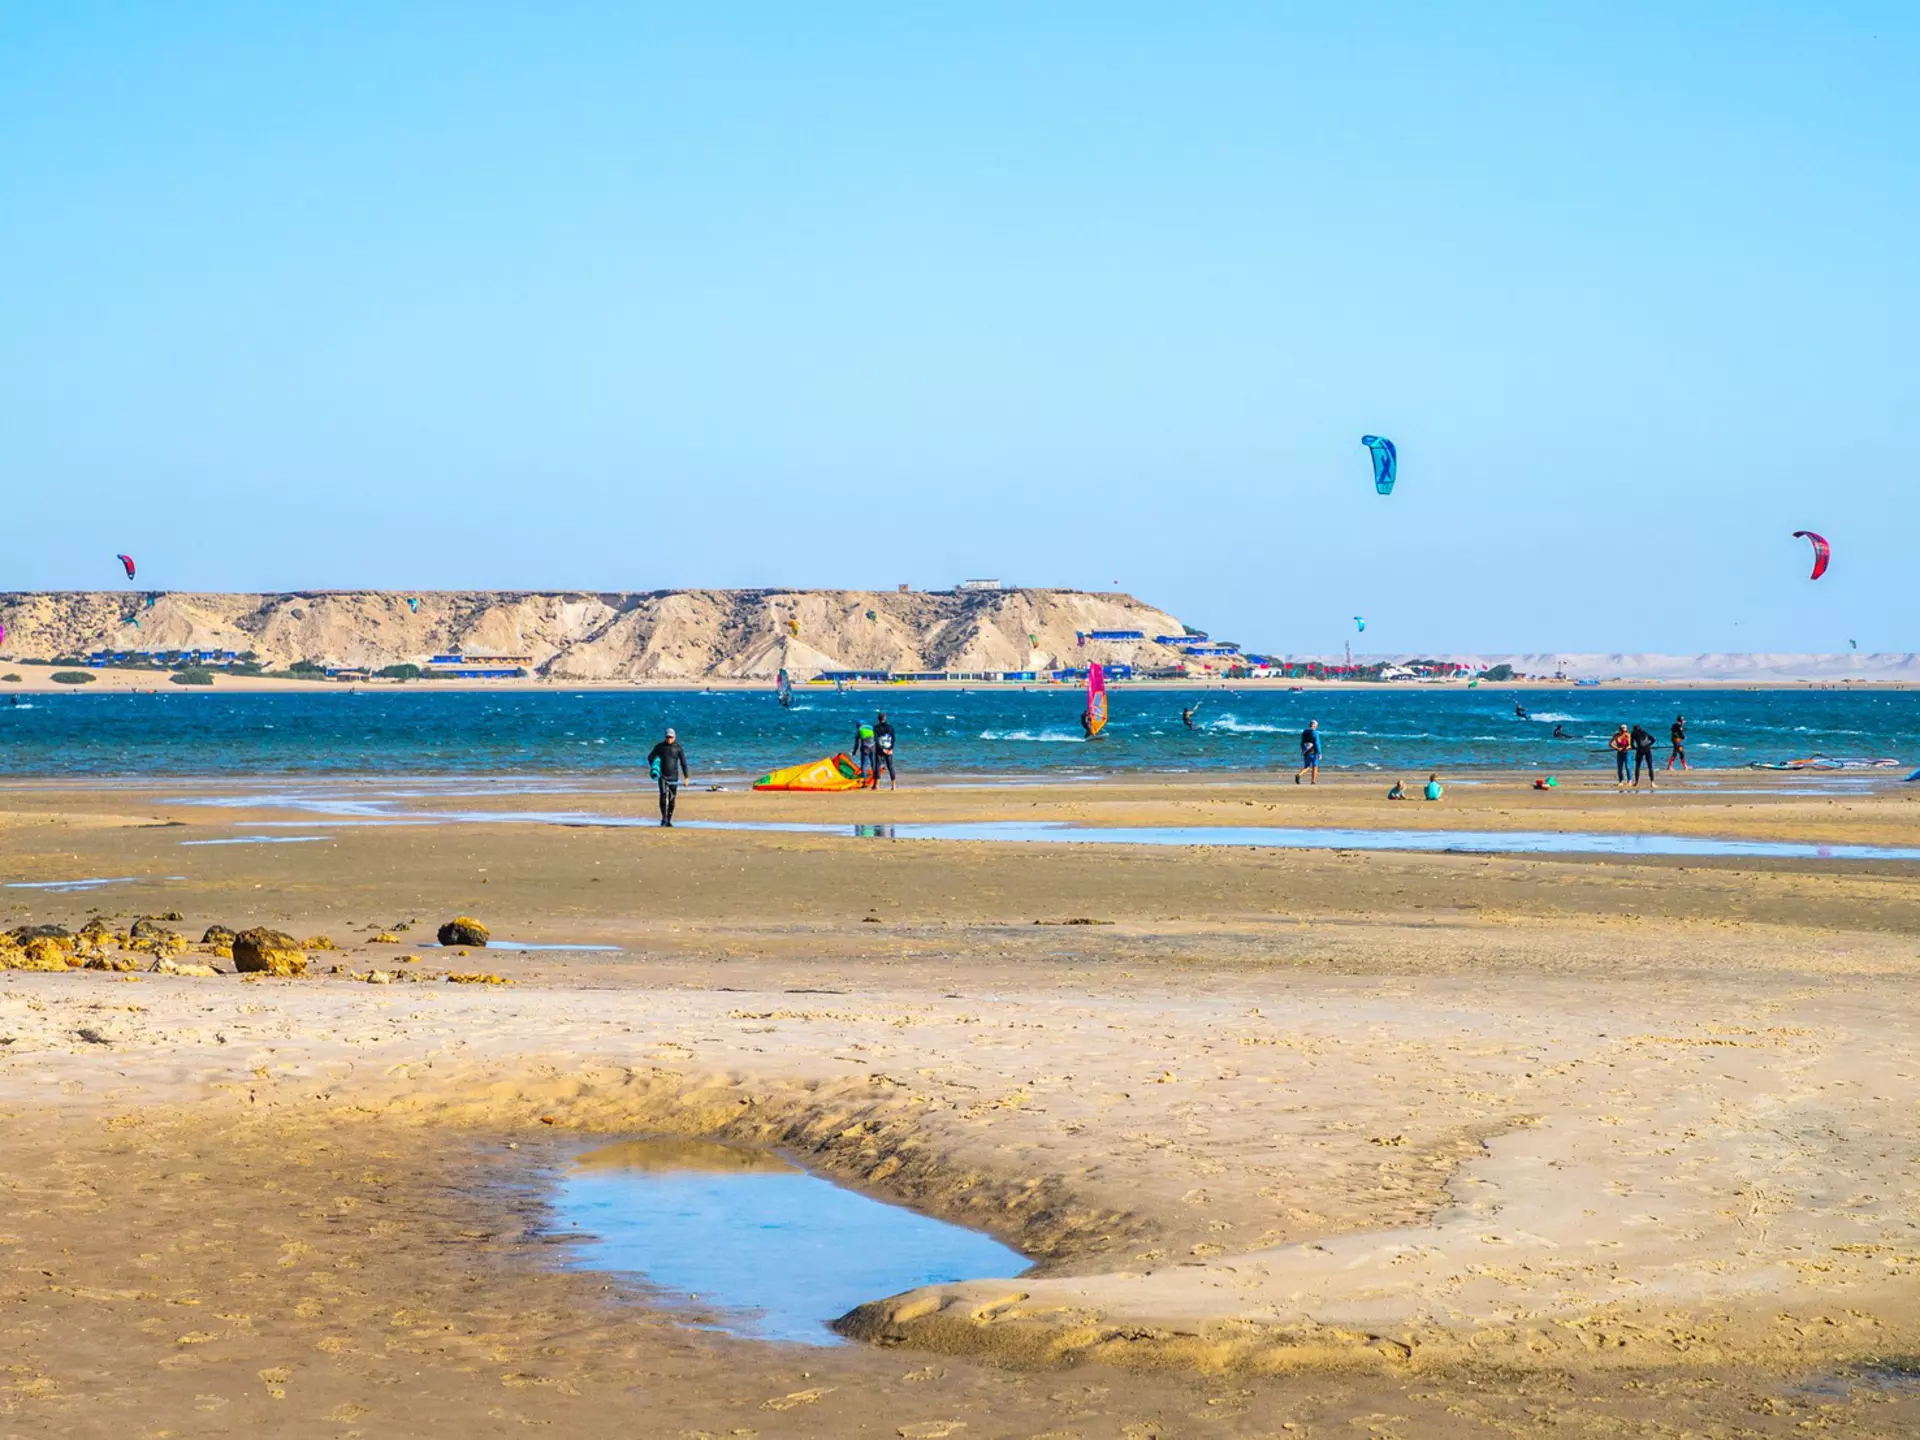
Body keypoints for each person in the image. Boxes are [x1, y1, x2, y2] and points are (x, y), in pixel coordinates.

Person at [646, 727, 690, 827]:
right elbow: (650, 757)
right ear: (665, 737)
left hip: (674, 777)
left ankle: (669, 819)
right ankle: (664, 818)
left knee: (672, 798)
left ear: (674, 737)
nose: (669, 739)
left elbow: (683, 763)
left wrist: (686, 777)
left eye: (671, 737)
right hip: (662, 776)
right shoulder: (659, 747)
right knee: (663, 795)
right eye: (667, 737)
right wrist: (654, 767)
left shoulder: (678, 748)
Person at [871, 712, 897, 790]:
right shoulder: (890, 727)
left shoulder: (875, 728)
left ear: (878, 719)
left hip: (879, 749)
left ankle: (877, 786)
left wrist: (882, 749)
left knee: (877, 767)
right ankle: (893, 786)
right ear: (885, 718)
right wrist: (891, 749)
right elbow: (893, 739)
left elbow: (876, 740)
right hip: (888, 749)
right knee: (890, 767)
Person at [1630, 723, 1657, 790]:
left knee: (1638, 766)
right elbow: (1653, 740)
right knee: (1650, 766)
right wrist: (1649, 745)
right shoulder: (1645, 732)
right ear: (1640, 728)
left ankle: (1636, 782)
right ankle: (1652, 782)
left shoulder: (1633, 733)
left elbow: (1632, 744)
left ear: (1634, 729)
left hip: (1640, 750)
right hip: (1647, 749)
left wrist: (1635, 748)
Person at [1296, 719, 1321, 785]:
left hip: (1306, 751)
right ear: (1315, 725)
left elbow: (1302, 742)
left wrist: (1303, 750)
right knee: (1315, 766)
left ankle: (1299, 774)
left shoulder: (1304, 732)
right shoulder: (1315, 732)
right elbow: (1317, 743)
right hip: (1313, 751)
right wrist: (1320, 753)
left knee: (1306, 766)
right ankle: (1313, 781)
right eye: (1316, 726)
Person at [1610, 724, 1633, 788]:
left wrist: (1627, 747)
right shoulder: (1616, 735)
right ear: (1620, 730)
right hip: (1619, 753)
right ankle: (1621, 781)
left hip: (1627, 752)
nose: (1624, 731)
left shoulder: (1628, 735)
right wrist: (1617, 748)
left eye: (1625, 730)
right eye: (1622, 730)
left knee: (1628, 767)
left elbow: (1630, 745)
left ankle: (1629, 781)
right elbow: (1610, 744)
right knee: (1619, 768)